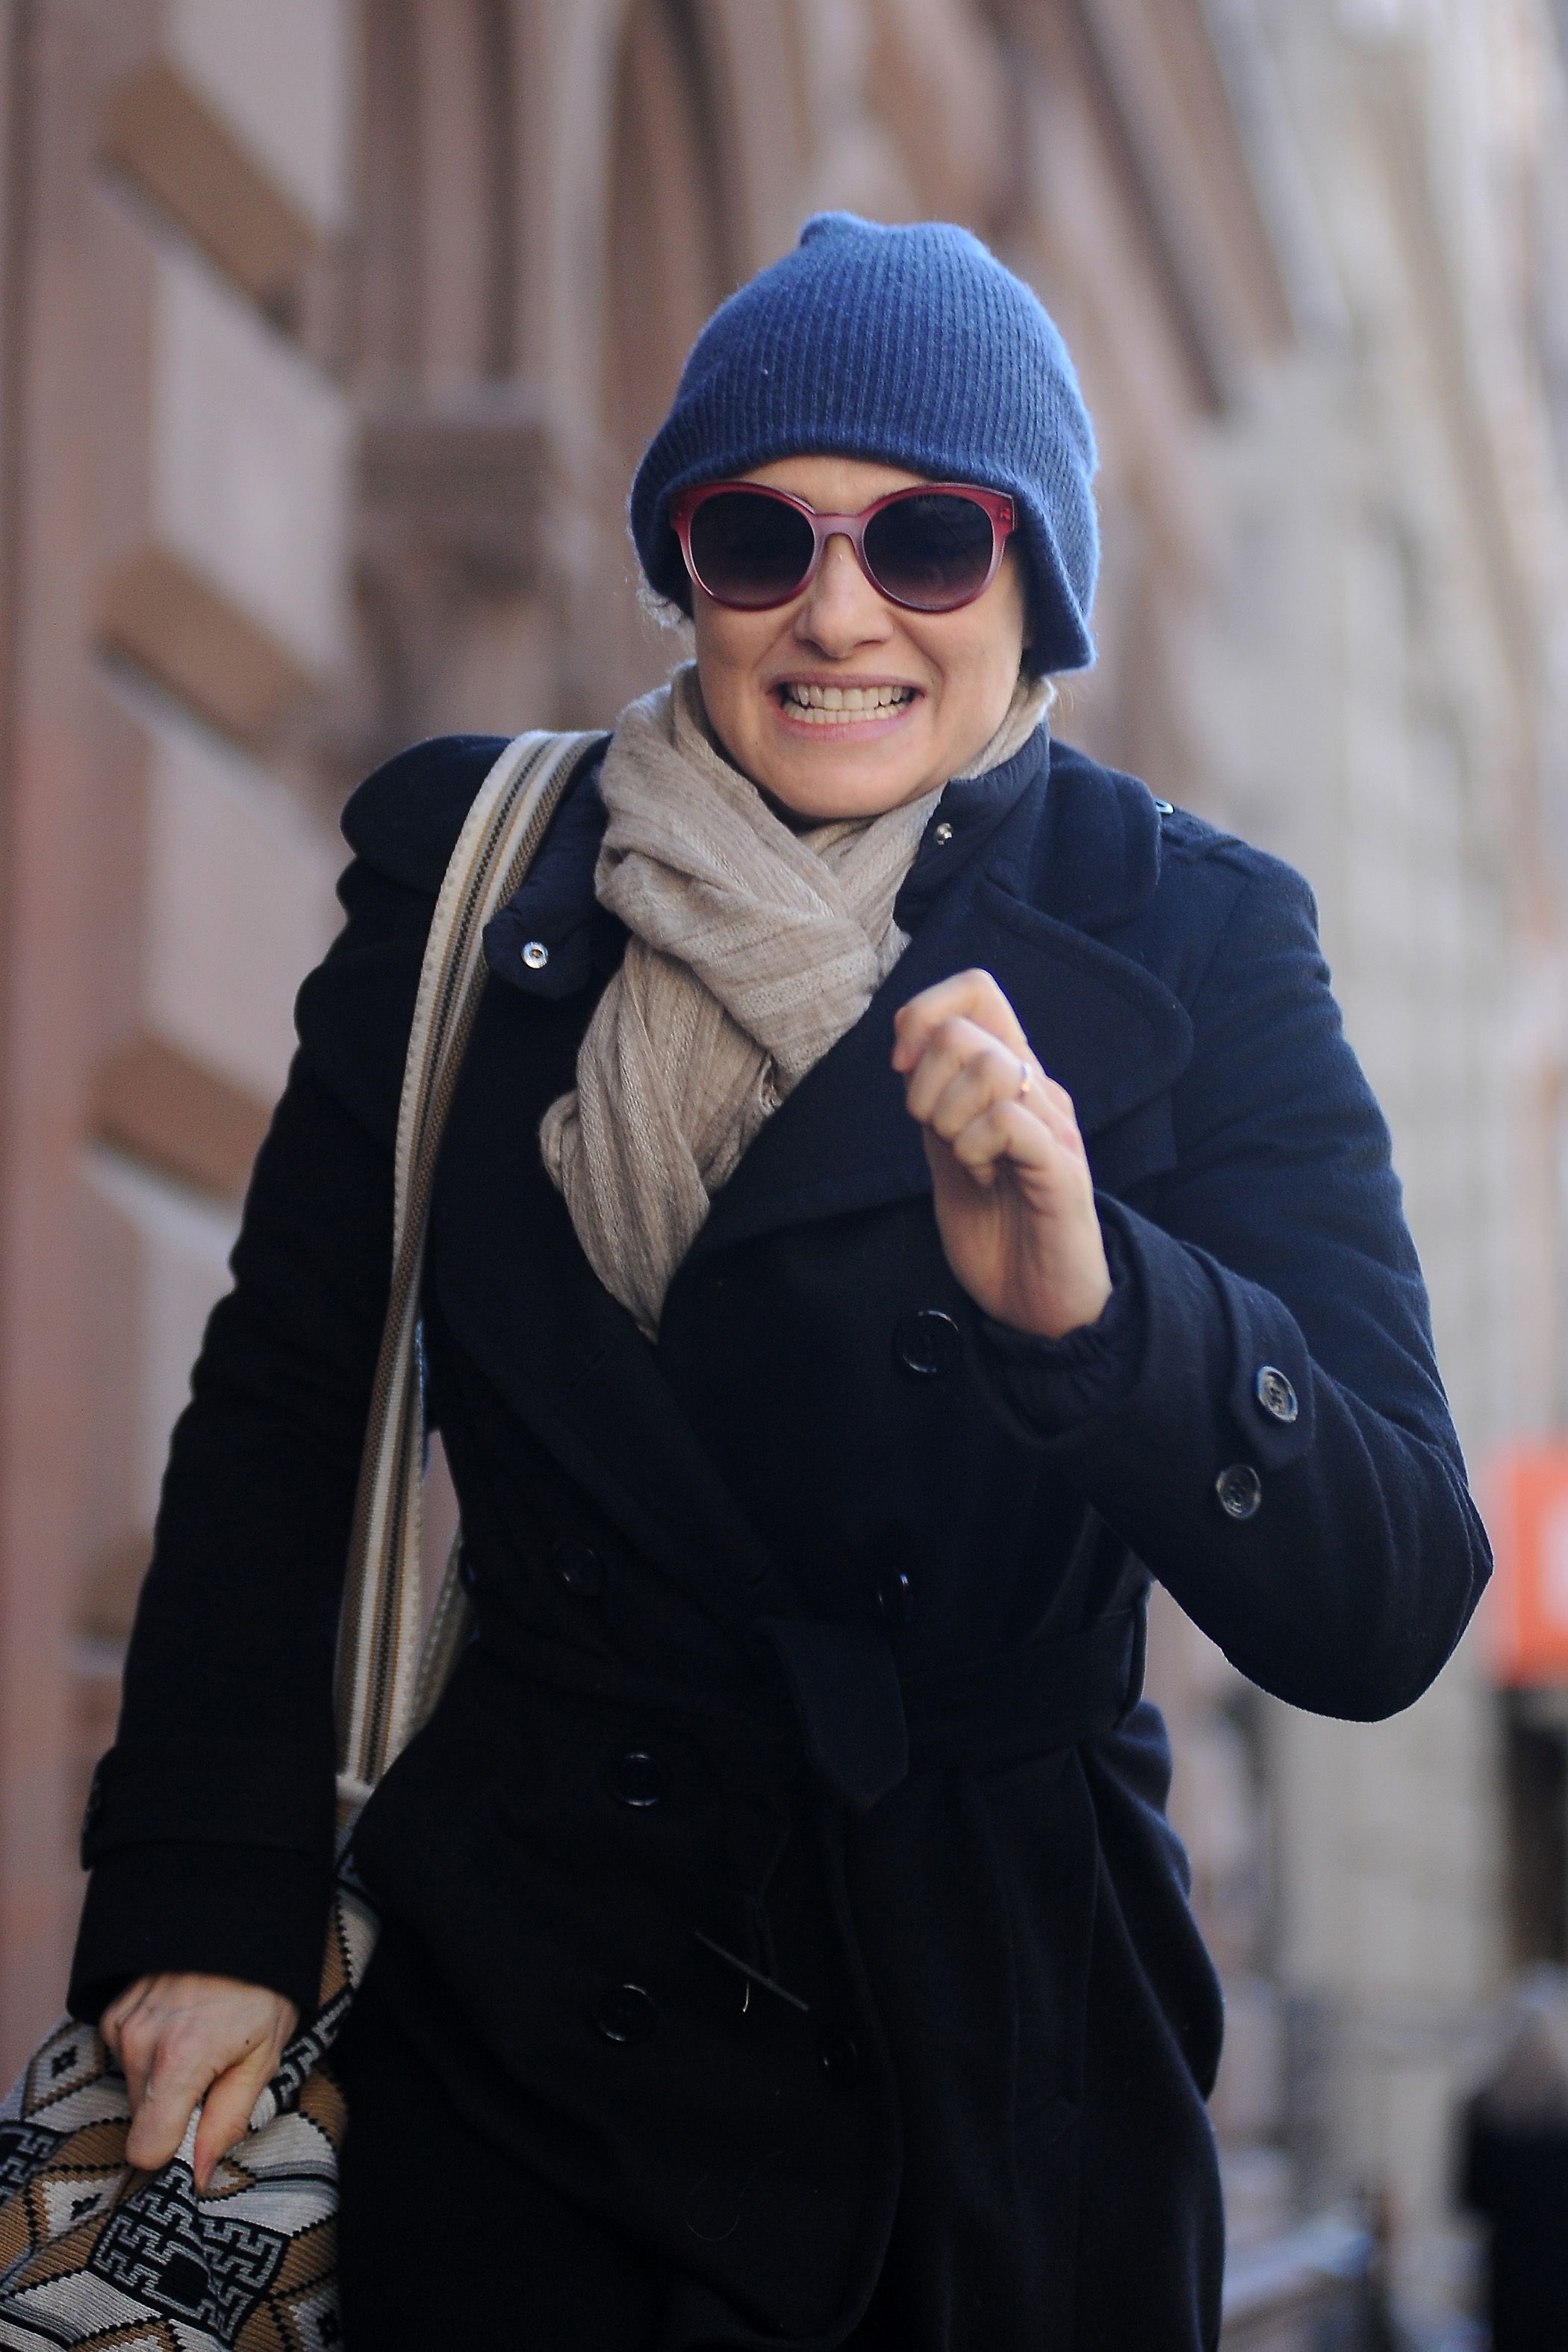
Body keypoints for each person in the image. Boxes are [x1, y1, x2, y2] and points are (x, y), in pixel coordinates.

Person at [69, 214, 1489, 2351]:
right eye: (758, 538)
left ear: (1032, 586)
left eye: (926, 540)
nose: (837, 612)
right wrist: (207, 1901)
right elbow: (285, 1401)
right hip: (524, 2039)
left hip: (995, 2081)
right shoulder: (470, 883)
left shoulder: (1193, 934)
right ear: (687, 572)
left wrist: (1097, 1314)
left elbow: (1387, 1597)